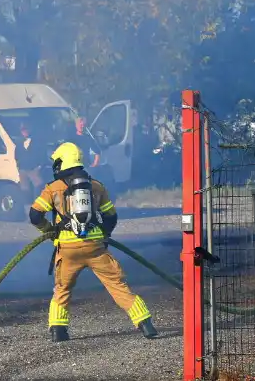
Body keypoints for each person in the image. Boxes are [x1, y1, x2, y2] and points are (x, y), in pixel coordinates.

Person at [29, 142, 159, 342]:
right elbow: (111, 217)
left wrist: (52, 232)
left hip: (68, 250)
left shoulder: (53, 188)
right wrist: (104, 236)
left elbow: (35, 215)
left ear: (61, 163)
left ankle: (58, 331)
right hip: (95, 248)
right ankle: (145, 324)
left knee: (62, 289)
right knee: (117, 285)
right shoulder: (96, 186)